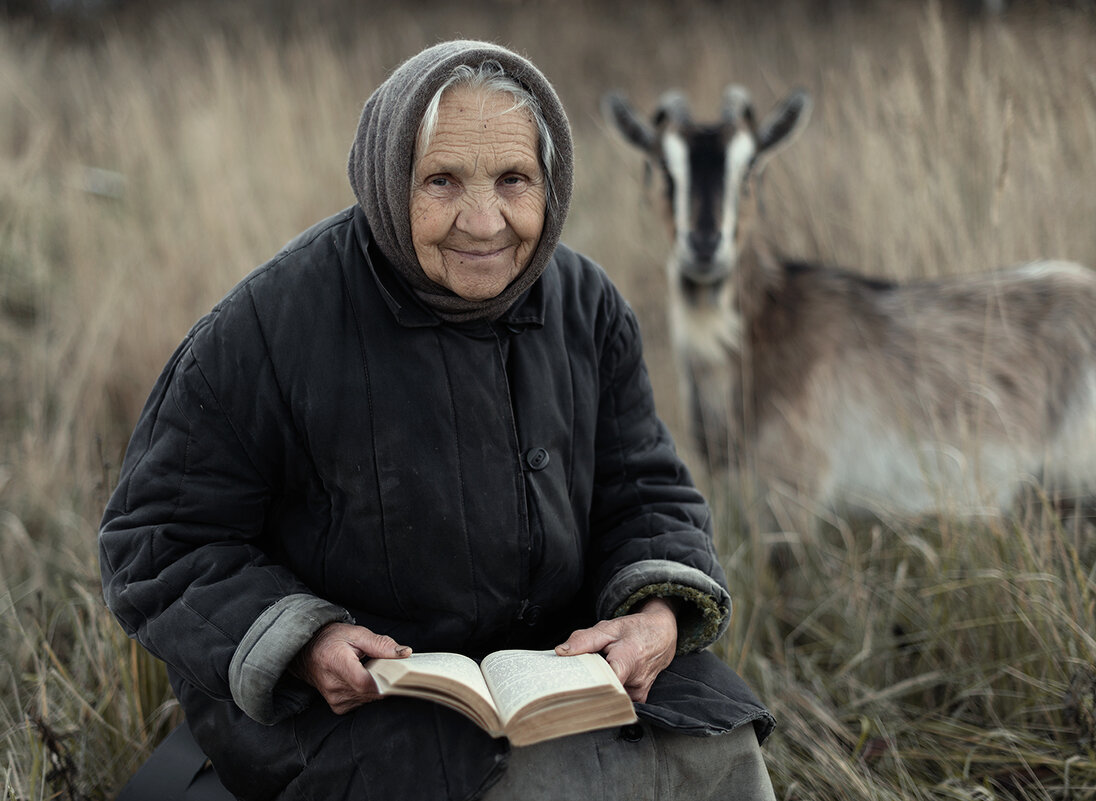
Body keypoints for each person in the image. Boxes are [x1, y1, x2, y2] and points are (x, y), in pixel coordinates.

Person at [99, 39, 777, 801]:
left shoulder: (587, 306)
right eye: (443, 181)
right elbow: (155, 537)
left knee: (721, 752)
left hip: (554, 670)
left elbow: (645, 490)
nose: (483, 221)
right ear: (390, 180)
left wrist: (656, 617)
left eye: (514, 180)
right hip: (353, 703)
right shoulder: (269, 324)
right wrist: (302, 638)